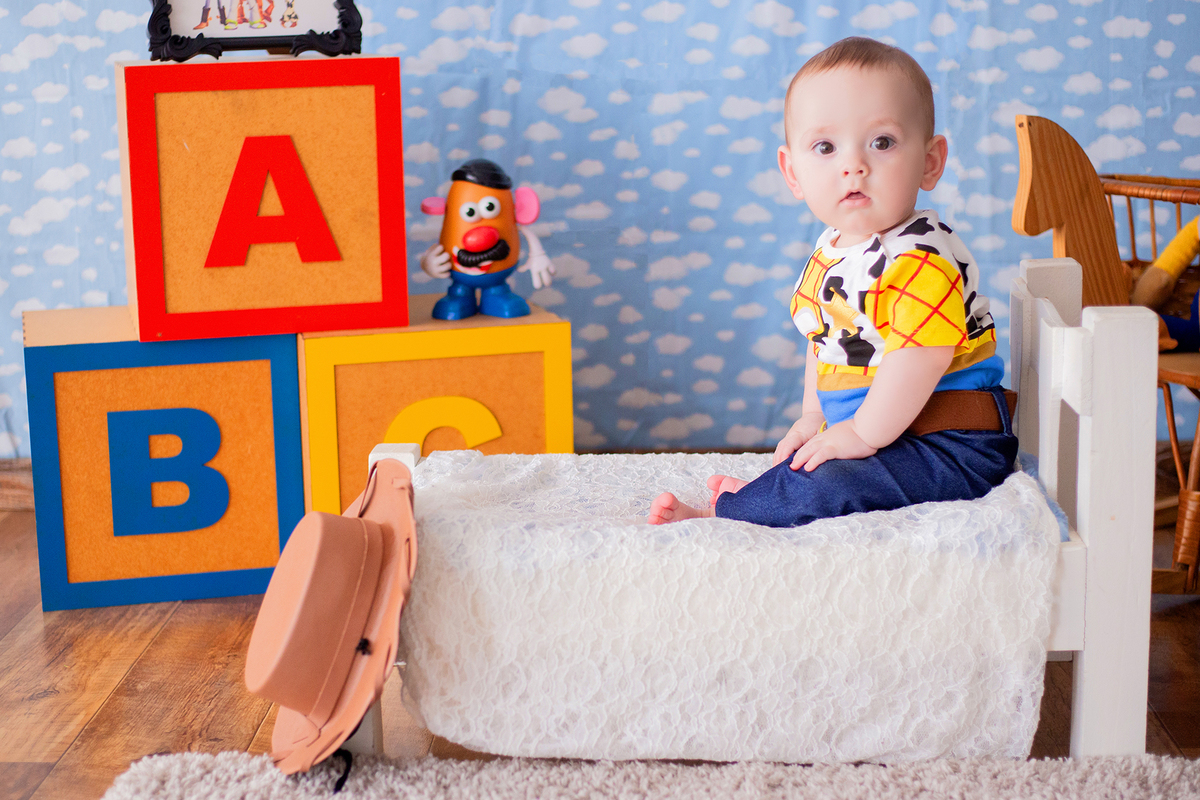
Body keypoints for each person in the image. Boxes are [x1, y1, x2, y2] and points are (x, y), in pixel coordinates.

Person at [649, 37, 1017, 527]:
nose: (853, 165)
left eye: (882, 142)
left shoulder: (918, 259)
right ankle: (766, 497)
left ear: (930, 161)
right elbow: (824, 342)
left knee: (835, 480)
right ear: (792, 172)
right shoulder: (833, 252)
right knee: (811, 458)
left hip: (948, 442)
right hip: (886, 430)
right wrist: (812, 417)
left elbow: (923, 355)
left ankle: (727, 514)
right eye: (825, 147)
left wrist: (861, 435)